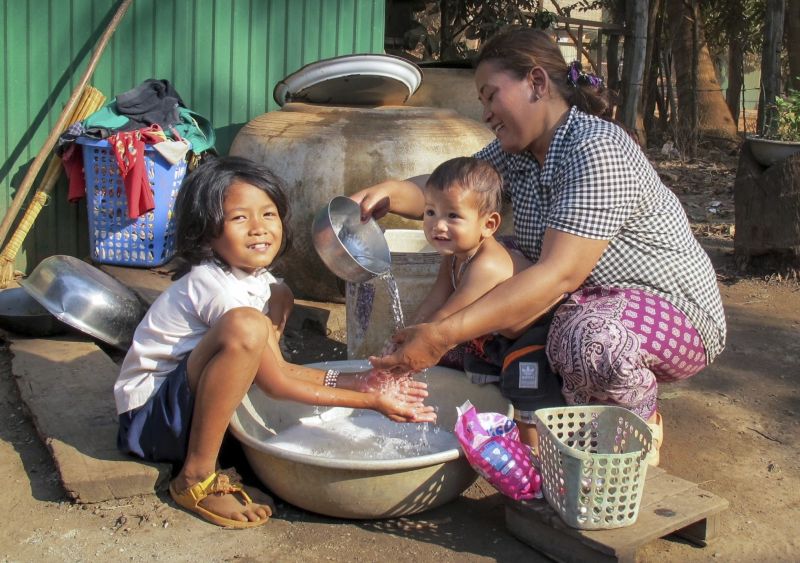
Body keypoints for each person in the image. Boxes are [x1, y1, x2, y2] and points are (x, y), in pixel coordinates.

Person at [351, 27, 726, 466]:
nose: (486, 111)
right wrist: (390, 193)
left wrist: (441, 333)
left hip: (669, 311)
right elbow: (451, 193)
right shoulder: (519, 153)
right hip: (578, 302)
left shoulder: (596, 148)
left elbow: (558, 274)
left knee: (586, 342)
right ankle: (526, 403)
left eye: (491, 96)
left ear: (537, 83)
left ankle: (638, 424)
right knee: (478, 265)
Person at [114, 156, 436, 529]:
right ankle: (195, 475)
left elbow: (279, 320)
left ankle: (225, 461)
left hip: (181, 406)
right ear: (206, 232)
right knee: (249, 328)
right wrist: (367, 398)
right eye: (239, 218)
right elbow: (278, 381)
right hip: (149, 421)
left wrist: (358, 376)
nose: (258, 229)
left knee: (262, 316)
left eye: (268, 215)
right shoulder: (211, 285)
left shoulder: (254, 278)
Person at [412, 156, 533, 375]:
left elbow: (449, 316)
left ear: (489, 225)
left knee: (522, 387)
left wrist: (411, 348)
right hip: (497, 336)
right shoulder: (454, 253)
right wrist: (406, 333)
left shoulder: (487, 265)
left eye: (453, 216)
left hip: (534, 338)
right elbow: (436, 299)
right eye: (431, 212)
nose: (438, 225)